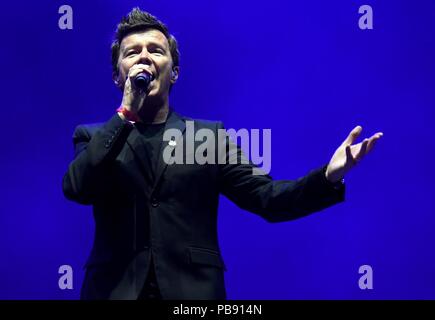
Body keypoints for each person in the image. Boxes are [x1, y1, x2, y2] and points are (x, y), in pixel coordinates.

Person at [62, 8, 383, 300]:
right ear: (119, 74)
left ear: (174, 71)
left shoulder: (208, 138)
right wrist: (126, 113)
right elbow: (78, 187)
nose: (144, 58)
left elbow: (268, 198)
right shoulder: (92, 136)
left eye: (155, 50)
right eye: (132, 53)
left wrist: (329, 176)